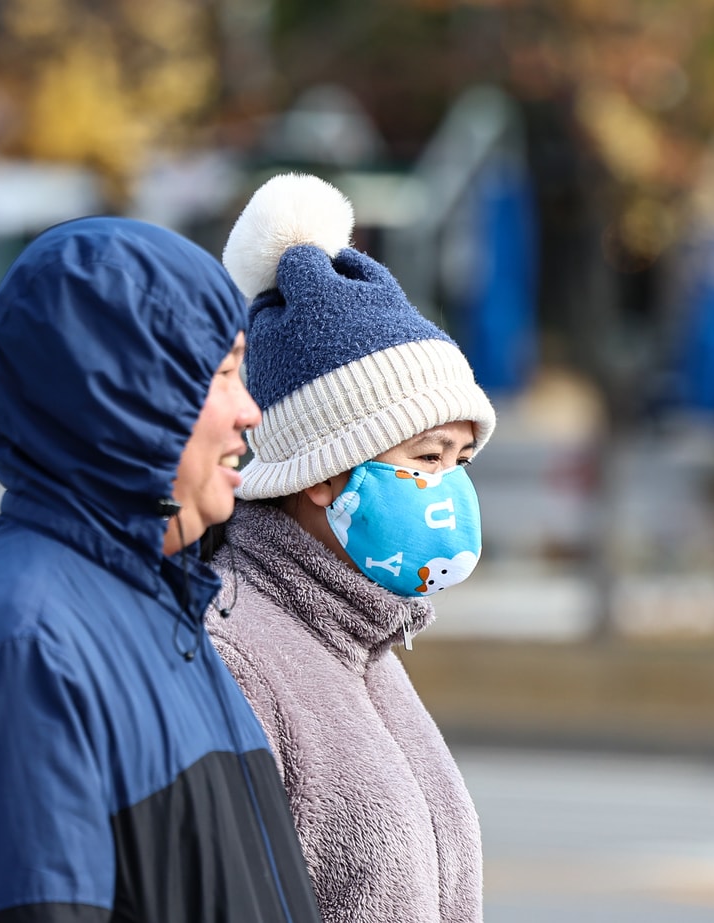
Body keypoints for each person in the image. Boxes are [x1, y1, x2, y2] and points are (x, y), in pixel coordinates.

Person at [0, 217, 322, 923]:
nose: (250, 412)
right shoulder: (19, 645)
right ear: (127, 396)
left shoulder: (164, 614)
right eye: (222, 373)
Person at [202, 173, 497, 923]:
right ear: (324, 471)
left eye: (462, 461)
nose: (451, 489)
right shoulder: (233, 657)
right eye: (428, 457)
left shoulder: (364, 638)